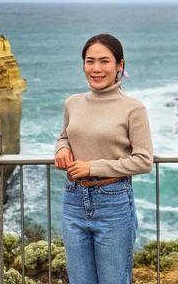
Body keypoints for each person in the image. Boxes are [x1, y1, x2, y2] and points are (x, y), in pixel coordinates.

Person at [54, 34, 153, 284]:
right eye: (90, 61)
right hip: (73, 199)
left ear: (120, 65)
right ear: (83, 65)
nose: (96, 69)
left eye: (104, 61)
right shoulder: (72, 103)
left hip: (114, 202)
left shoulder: (133, 108)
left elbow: (143, 160)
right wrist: (61, 149)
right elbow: (65, 135)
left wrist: (92, 167)